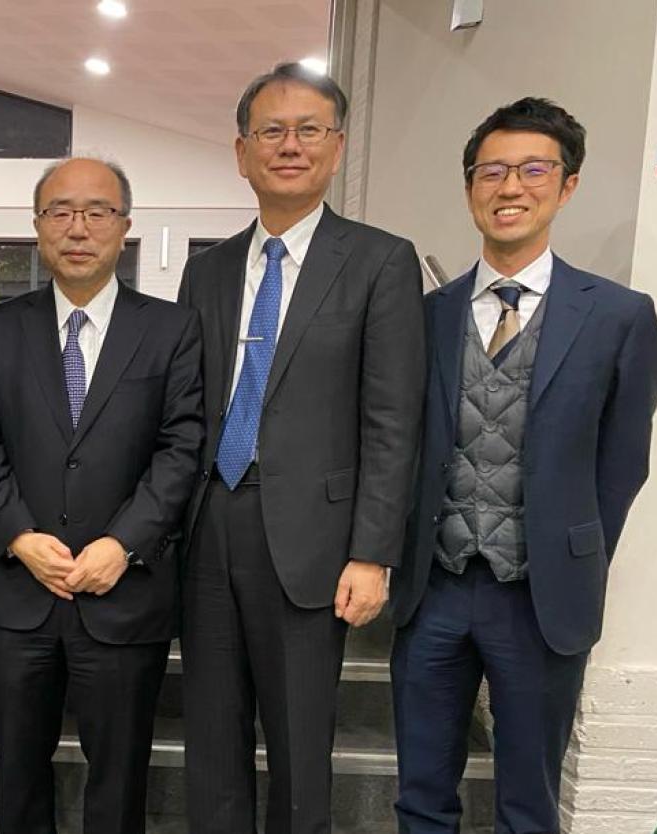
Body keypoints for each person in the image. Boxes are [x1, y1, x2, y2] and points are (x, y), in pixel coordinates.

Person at [390, 97, 657, 834]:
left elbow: (622, 465)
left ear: (566, 185)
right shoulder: (426, 315)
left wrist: (566, 548)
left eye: (533, 169)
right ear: (471, 186)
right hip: (434, 592)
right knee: (420, 792)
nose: (510, 187)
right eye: (492, 171)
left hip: (542, 598)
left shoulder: (618, 316)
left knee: (528, 800)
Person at [177, 62, 426, 834]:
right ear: (242, 151)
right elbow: (183, 409)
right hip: (207, 526)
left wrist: (372, 551)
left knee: (298, 748)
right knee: (211, 743)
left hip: (314, 542)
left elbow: (393, 418)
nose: (290, 145)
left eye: (308, 129)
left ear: (338, 146)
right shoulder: (206, 269)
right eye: (271, 131)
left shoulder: (382, 261)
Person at [0, 157, 204, 834]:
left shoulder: (170, 329)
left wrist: (123, 544)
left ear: (125, 225)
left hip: (124, 595)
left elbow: (181, 448)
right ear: (38, 228)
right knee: (18, 777)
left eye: (97, 211)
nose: (78, 227)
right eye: (59, 212)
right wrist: (16, 533)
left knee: (119, 780)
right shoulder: (1, 329)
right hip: (20, 592)